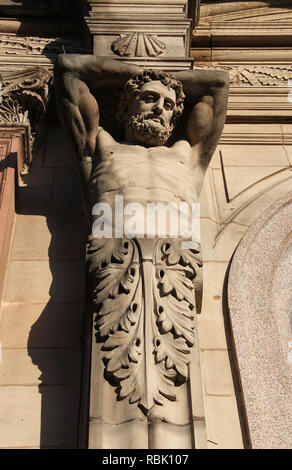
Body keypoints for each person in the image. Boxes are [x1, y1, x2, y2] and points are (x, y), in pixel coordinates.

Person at [54, 55, 229, 221]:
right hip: (111, 243)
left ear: (173, 120)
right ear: (126, 106)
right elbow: (69, 67)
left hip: (178, 248)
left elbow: (219, 83)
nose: (159, 108)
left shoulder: (187, 153)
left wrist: (162, 77)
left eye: (168, 105)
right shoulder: (100, 144)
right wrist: (141, 74)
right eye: (150, 98)